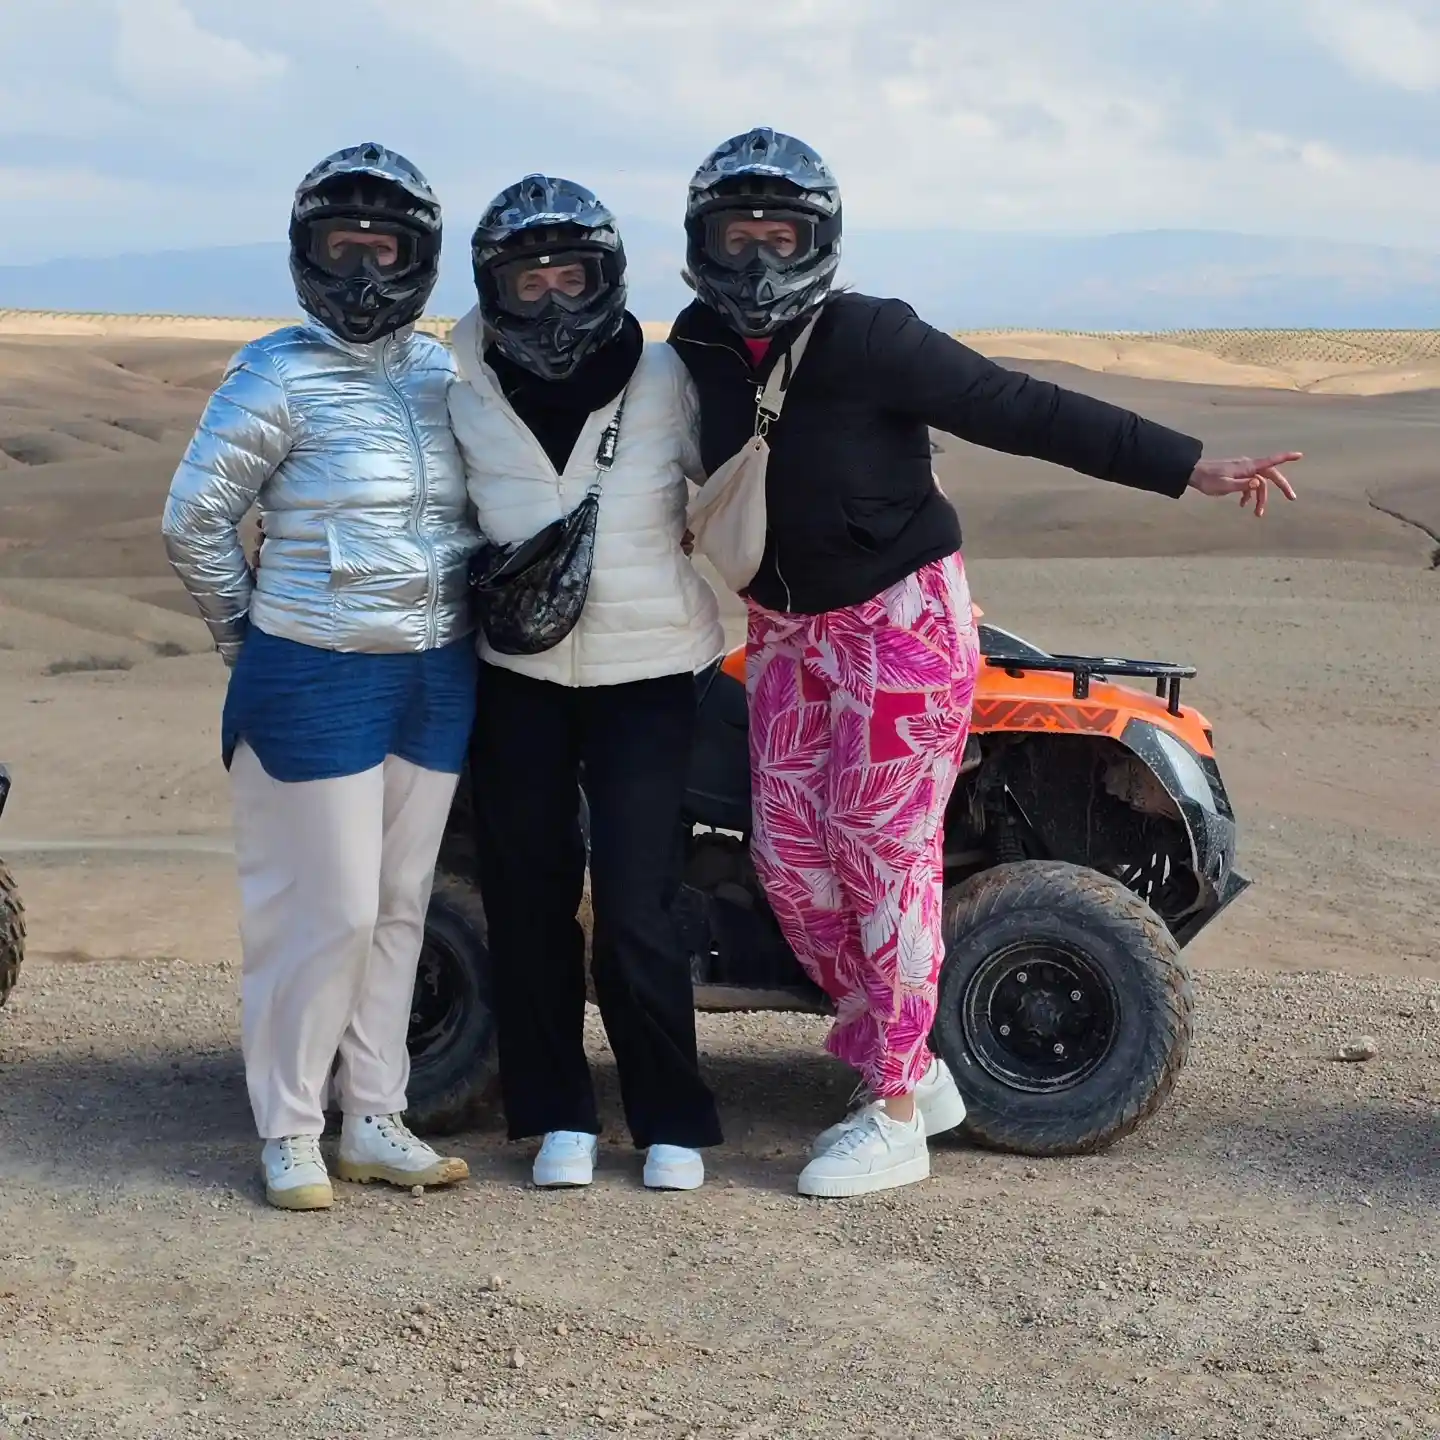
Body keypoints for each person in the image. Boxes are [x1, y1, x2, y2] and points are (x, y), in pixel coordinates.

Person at [669, 127, 1300, 1200]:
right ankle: (906, 1060)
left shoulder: (870, 335)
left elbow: (1020, 407)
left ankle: (895, 1110)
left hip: (898, 624)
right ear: (702, 242)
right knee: (791, 864)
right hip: (783, 634)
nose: (760, 258)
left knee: (882, 853)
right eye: (739, 235)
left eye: (782, 235)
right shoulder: (698, 343)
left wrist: (1190, 465)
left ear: (820, 238)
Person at [162, 143, 478, 1211]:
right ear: (306, 252)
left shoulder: (444, 375)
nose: (362, 270)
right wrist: (248, 640)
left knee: (398, 906)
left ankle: (375, 1117)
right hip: (312, 673)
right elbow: (194, 519)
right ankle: (291, 1128)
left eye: (384, 249)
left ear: (420, 256)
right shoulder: (274, 373)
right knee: (323, 910)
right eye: (341, 246)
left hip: (435, 673)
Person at [448, 176, 726, 1191]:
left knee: (638, 899)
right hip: (516, 672)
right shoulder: (457, 383)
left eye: (572, 273)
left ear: (606, 274)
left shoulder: (664, 376)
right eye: (529, 278)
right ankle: (557, 1113)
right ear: (495, 285)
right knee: (527, 893)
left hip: (648, 669)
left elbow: (737, 475)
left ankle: (670, 1120)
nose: (553, 296)